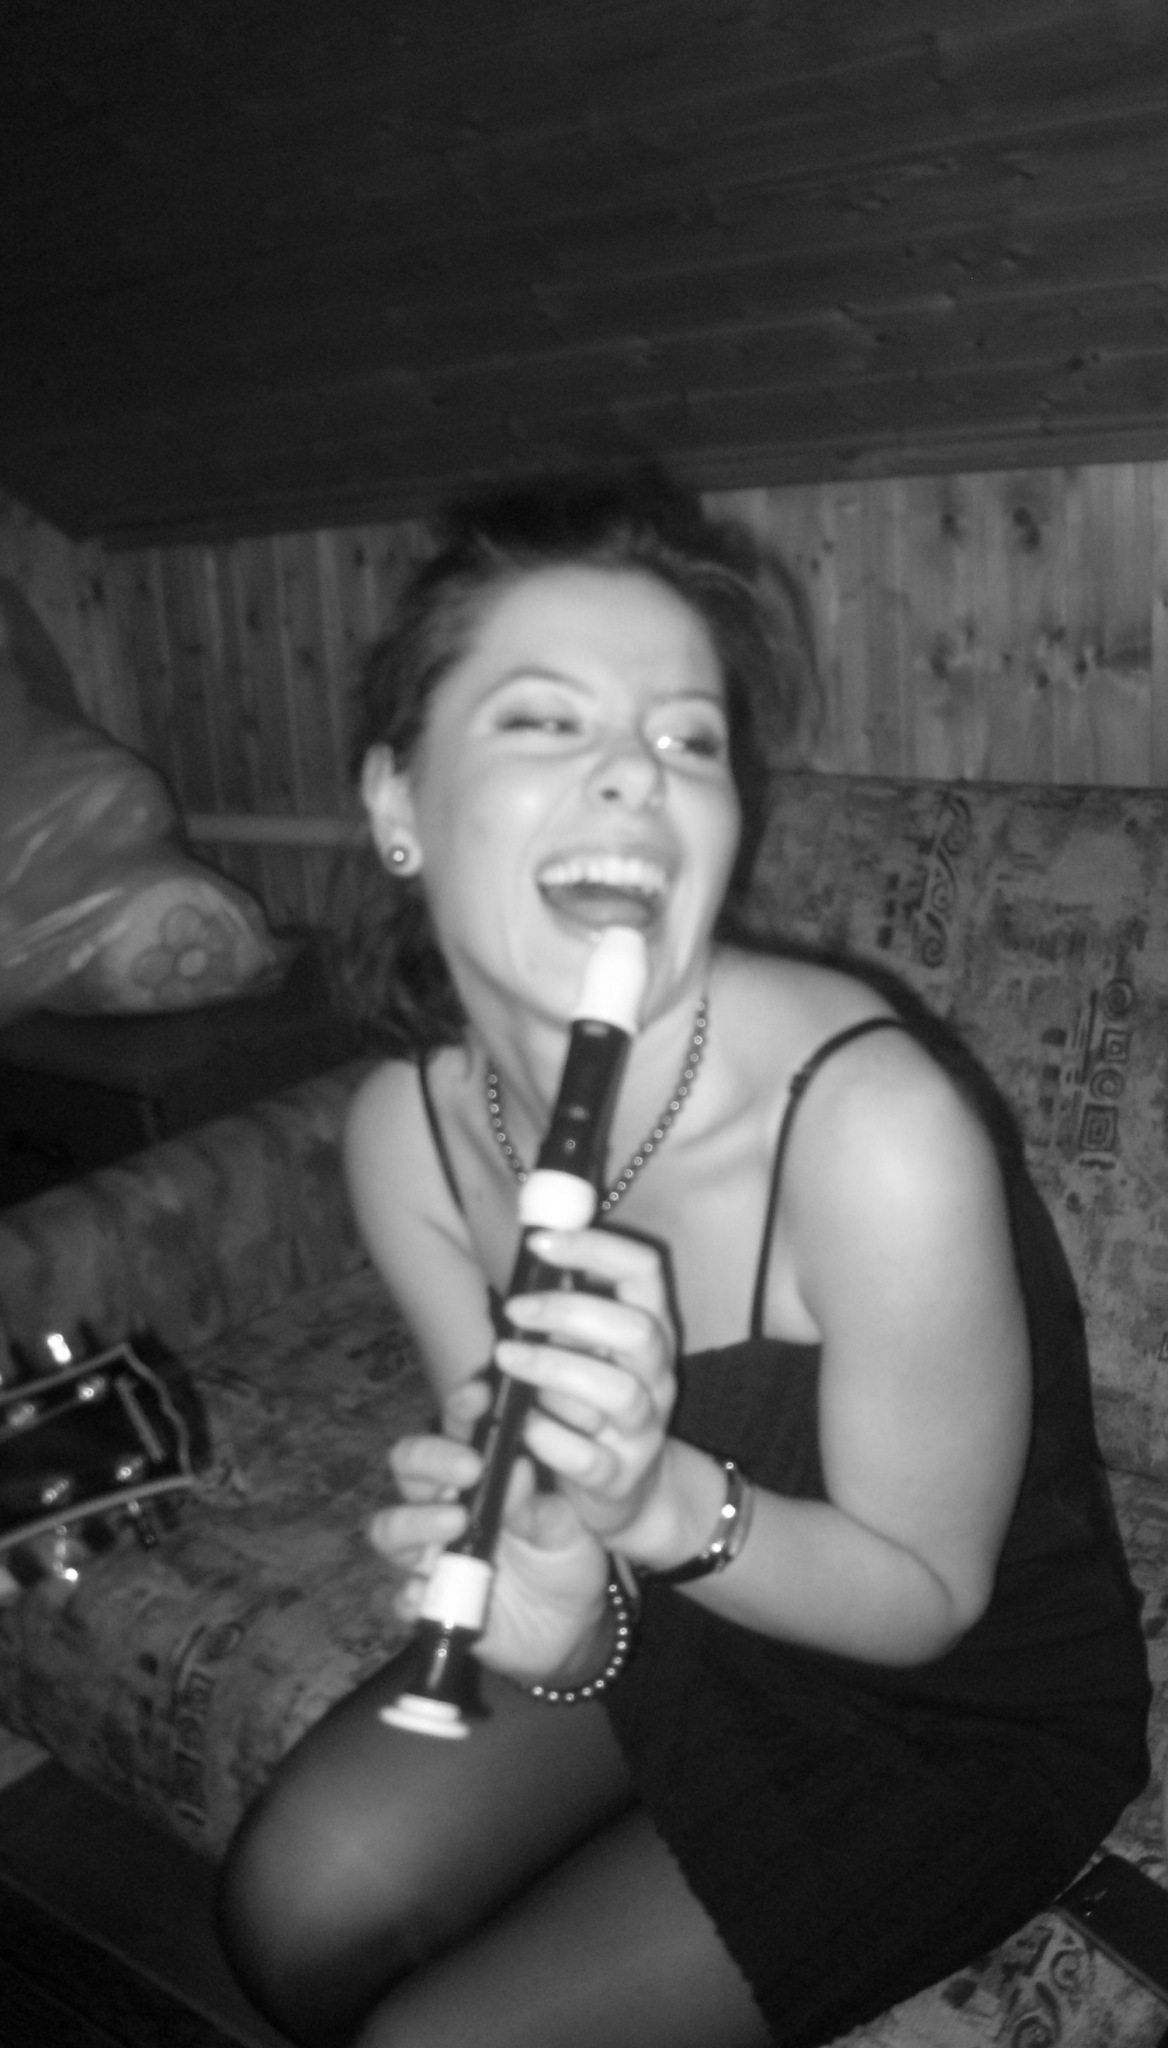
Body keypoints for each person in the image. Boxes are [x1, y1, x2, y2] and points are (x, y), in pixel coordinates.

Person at [216, 472, 1151, 2048]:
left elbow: (931, 1600)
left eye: (688, 738)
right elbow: (563, 1567)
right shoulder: (409, 1137)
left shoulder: (872, 1128)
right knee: (291, 1911)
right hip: (675, 1620)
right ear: (396, 802)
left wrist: (654, 1502)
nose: (633, 776)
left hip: (947, 1710)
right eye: (543, 719)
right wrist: (553, 1600)